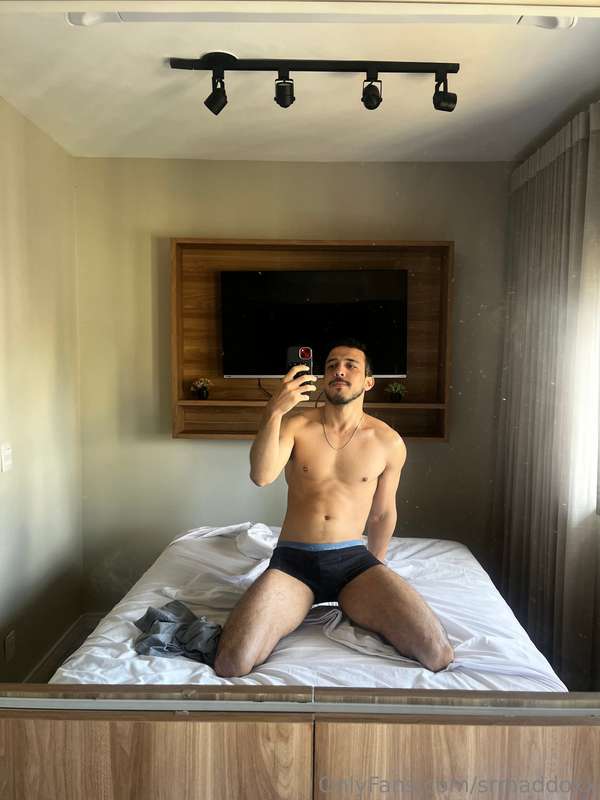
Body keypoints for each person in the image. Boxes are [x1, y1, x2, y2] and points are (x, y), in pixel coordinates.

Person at [213, 337, 454, 677]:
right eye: (331, 365)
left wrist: (376, 569)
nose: (339, 370)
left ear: (368, 382)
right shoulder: (296, 425)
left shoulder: (387, 441)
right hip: (293, 563)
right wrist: (274, 411)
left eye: (350, 365)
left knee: (436, 652)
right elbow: (261, 476)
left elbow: (382, 513)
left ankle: (354, 602)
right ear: (323, 377)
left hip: (353, 563)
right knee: (232, 662)